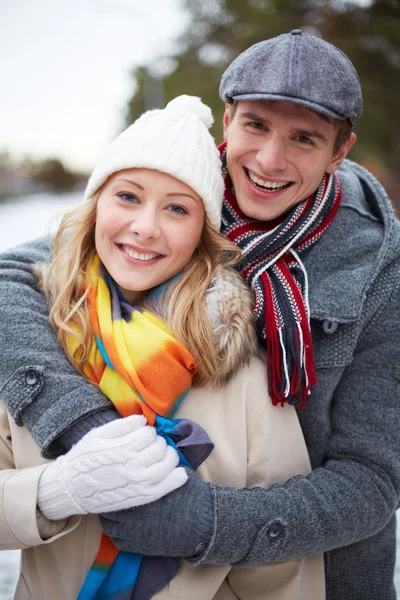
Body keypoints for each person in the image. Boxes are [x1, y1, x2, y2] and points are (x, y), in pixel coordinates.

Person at [0, 30, 399, 600]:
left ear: (340, 151)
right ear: (228, 118)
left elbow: (372, 479)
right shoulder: (171, 184)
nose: (268, 159)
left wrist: (202, 522)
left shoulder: (379, 265)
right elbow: (24, 273)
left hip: (321, 573)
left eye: (304, 139)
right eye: (256, 126)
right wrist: (77, 428)